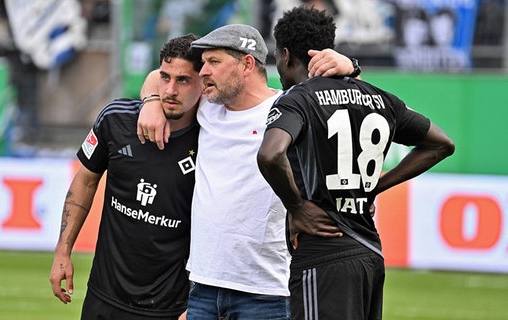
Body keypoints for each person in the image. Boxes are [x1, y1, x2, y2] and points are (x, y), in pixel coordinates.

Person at [138, 24, 357, 319]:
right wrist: (151, 103)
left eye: (213, 62)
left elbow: (353, 105)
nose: (203, 72)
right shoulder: (207, 105)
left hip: (267, 292)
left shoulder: (289, 108)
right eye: (203, 64)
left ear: (247, 64)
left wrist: (352, 69)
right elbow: (158, 76)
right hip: (203, 286)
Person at [257, 7, 455, 320]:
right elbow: (441, 144)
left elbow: (270, 154)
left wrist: (296, 206)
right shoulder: (379, 97)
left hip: (323, 254)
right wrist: (375, 186)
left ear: (285, 55)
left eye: (278, 59)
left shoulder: (296, 99)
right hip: (370, 254)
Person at [49, 34, 203, 320]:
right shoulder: (116, 119)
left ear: (204, 85)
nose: (170, 89)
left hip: (169, 307)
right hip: (103, 298)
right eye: (165, 77)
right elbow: (85, 180)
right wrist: (63, 251)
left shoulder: (212, 140)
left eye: (183, 80)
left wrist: (196, 304)